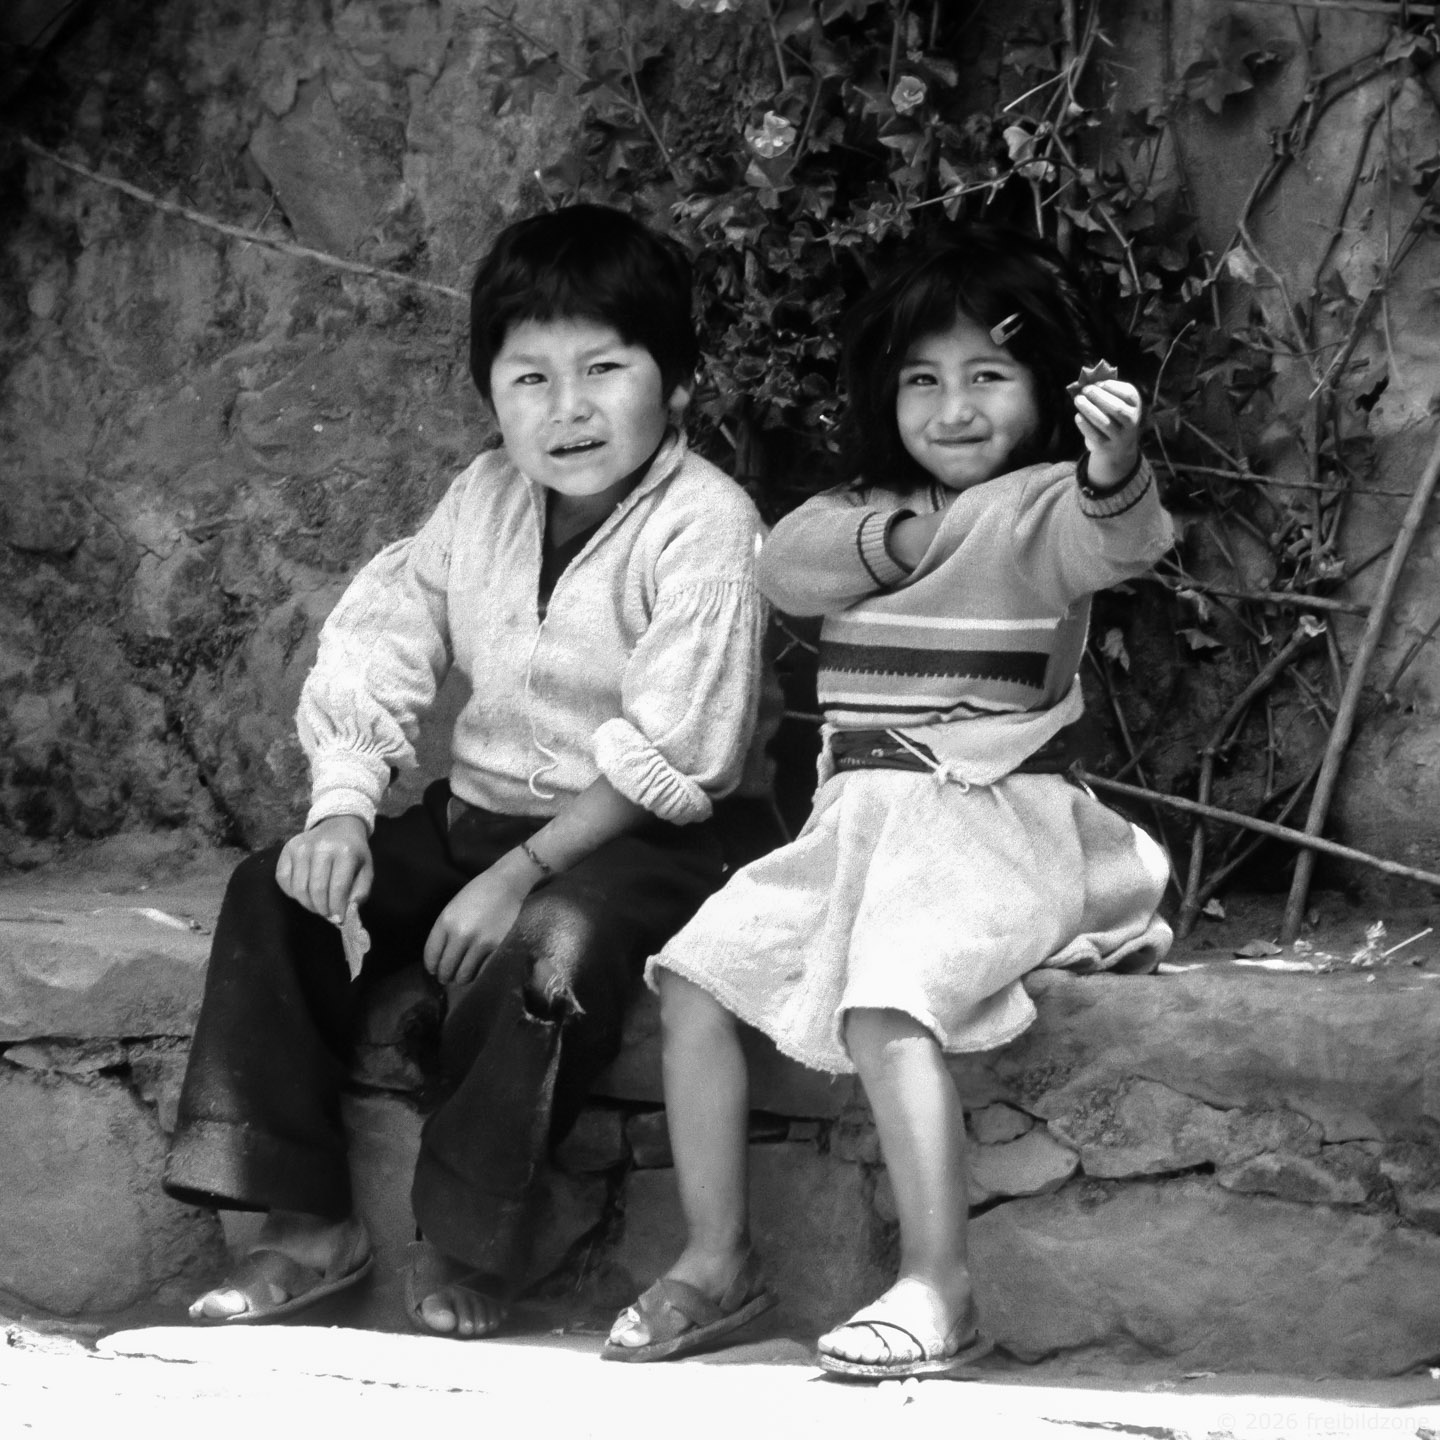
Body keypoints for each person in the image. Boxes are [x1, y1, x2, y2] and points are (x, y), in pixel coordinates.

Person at [162, 203, 782, 1338]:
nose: (569, 408)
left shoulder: (706, 528)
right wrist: (344, 810)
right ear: (491, 393)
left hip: (651, 844)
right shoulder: (483, 497)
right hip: (476, 818)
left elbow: (677, 755)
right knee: (276, 893)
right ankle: (308, 1229)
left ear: (678, 381)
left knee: (548, 944)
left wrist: (520, 877)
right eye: (530, 377)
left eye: (605, 368)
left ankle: (466, 1242)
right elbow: (387, 636)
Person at [604, 224, 1175, 1377]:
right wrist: (914, 529)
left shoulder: (1050, 509)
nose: (953, 408)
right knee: (697, 979)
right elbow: (788, 569)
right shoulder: (852, 514)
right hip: (853, 828)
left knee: (886, 1004)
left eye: (988, 378)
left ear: (1049, 392)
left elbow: (1123, 540)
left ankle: (937, 1287)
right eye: (923, 380)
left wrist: (1112, 465)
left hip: (986, 820)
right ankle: (718, 1262)